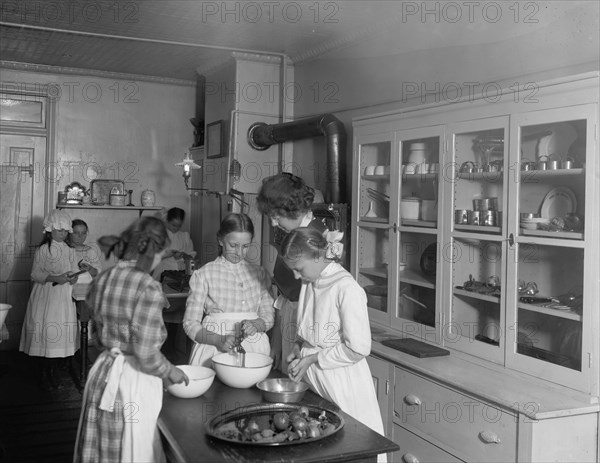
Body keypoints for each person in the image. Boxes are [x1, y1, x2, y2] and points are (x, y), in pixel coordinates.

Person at [73, 216, 189, 463]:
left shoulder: (105, 277)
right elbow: (146, 354)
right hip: (131, 383)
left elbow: (95, 334)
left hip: (103, 374)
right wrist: (170, 371)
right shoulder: (148, 286)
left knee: (103, 452)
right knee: (133, 451)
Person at [281, 227, 386, 462]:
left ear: (318, 256)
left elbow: (358, 348)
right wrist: (300, 346)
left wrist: (313, 358)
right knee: (318, 445)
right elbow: (311, 327)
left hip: (340, 381)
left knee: (348, 446)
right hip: (315, 380)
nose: (297, 277)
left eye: (299, 269)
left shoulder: (346, 288)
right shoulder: (311, 279)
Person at [256, 172, 328, 374]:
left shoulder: (318, 241)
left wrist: (303, 346)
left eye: (276, 217)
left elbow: (324, 308)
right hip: (291, 325)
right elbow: (283, 296)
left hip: (311, 337)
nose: (273, 223)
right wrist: (277, 341)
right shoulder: (292, 237)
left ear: (293, 210)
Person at [183, 213, 275, 367]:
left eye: (245, 246)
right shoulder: (204, 274)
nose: (239, 252)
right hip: (213, 348)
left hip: (255, 349)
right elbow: (190, 323)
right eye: (233, 245)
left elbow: (269, 317)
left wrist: (257, 324)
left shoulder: (260, 274)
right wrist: (218, 340)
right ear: (220, 240)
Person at [19, 210, 81, 391]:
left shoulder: (70, 250)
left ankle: (54, 371)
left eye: (65, 231)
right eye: (59, 230)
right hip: (46, 295)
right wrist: (55, 278)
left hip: (63, 297)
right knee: (46, 333)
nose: (63, 233)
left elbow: (72, 269)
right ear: (49, 230)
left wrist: (73, 277)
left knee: (58, 335)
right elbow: (35, 274)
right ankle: (44, 374)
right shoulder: (43, 249)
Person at [152, 207, 196, 280]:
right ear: (167, 221)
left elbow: (191, 259)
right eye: (173, 225)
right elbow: (151, 258)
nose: (176, 228)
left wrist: (184, 255)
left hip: (181, 276)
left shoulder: (185, 237)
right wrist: (167, 254)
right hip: (162, 274)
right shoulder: (160, 236)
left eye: (179, 226)